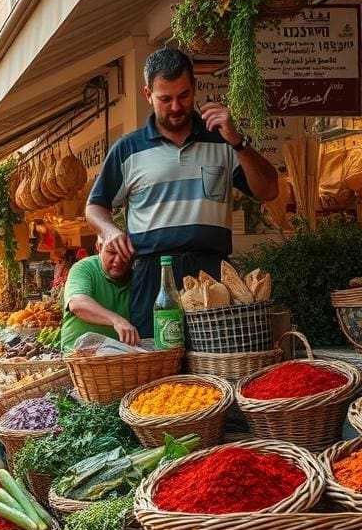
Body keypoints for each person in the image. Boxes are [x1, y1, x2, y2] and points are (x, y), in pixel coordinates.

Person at [86, 48, 279, 337]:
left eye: (184, 96)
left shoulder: (223, 142)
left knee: (215, 361)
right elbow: (95, 206)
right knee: (159, 369)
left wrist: (238, 142)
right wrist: (110, 231)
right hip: (154, 276)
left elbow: (269, 190)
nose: (176, 106)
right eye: (165, 98)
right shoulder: (128, 149)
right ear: (148, 93)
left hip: (213, 275)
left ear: (195, 89)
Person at [59, 246, 138, 353]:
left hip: (120, 358)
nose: (118, 260)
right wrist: (116, 321)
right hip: (78, 357)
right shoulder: (84, 268)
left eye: (125, 253)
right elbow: (77, 304)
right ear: (100, 247)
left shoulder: (137, 277)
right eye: (112, 252)